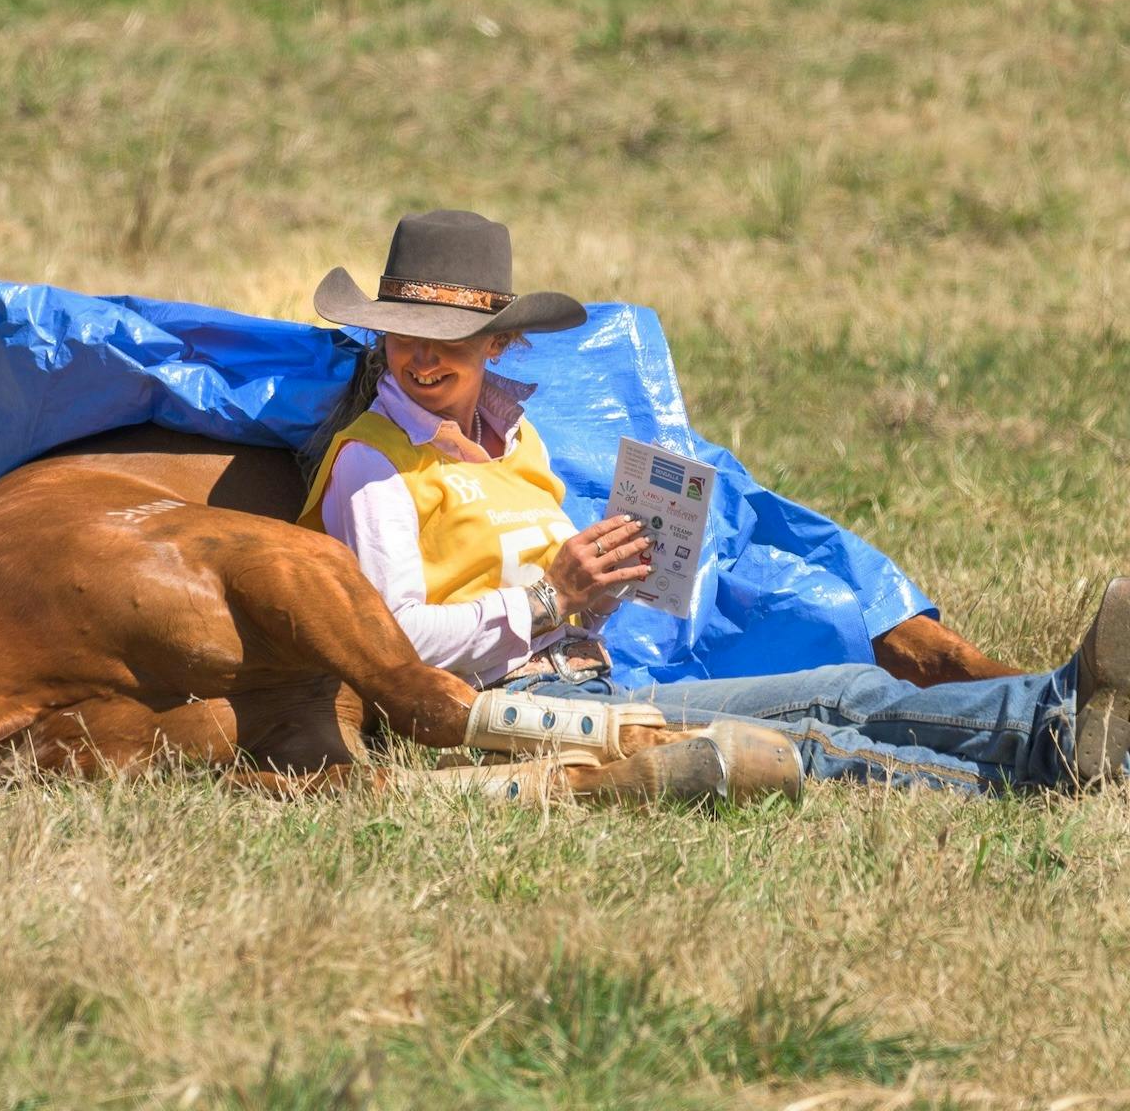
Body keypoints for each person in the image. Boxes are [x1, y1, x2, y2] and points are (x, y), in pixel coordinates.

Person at [299, 209, 1130, 792]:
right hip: (509, 713)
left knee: (841, 697)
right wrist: (552, 598)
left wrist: (608, 582)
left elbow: (551, 600)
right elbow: (389, 650)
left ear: (498, 342)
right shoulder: (373, 465)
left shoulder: (516, 439)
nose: (421, 358)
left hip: (583, 682)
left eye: (447, 339)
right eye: (403, 335)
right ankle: (1061, 727)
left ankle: (1064, 745)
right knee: (820, 718)